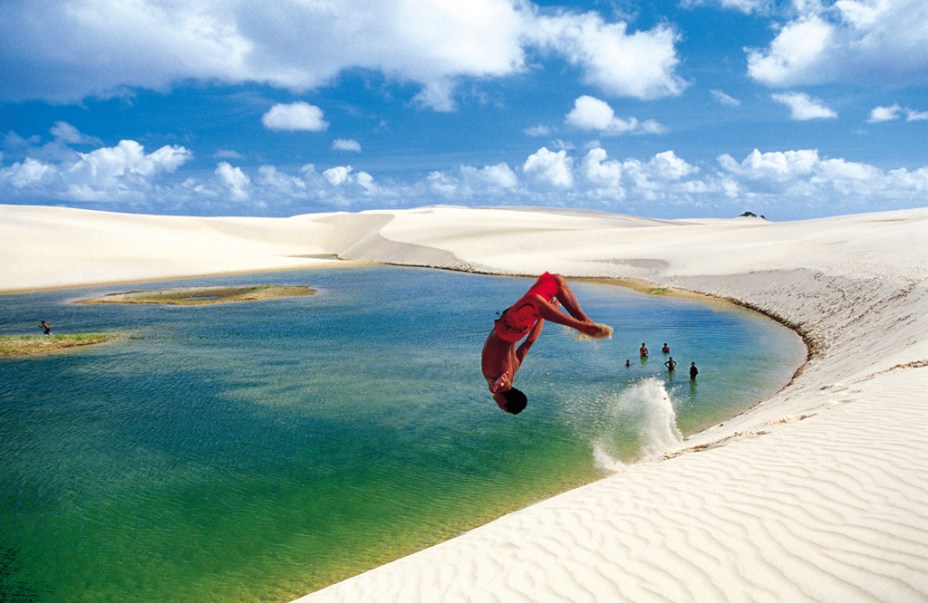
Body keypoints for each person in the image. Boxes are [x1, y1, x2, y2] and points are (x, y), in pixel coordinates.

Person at [481, 272, 612, 414]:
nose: (499, 406)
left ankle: (585, 322)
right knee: (537, 298)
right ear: (505, 403)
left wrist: (542, 316)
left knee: (554, 280)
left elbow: (529, 342)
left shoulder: (514, 369)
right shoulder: (500, 386)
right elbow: (499, 385)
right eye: (502, 407)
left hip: (518, 331)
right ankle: (581, 325)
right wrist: (500, 384)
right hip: (508, 329)